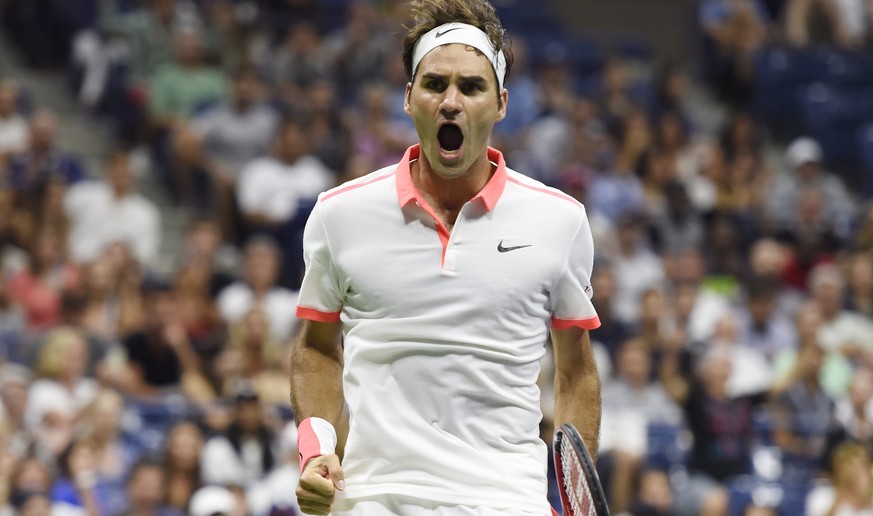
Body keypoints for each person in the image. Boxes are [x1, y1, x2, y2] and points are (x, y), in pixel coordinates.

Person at [290, 1, 602, 515]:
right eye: (435, 85)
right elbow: (317, 348)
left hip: (507, 502)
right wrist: (317, 450)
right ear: (409, 97)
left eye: (472, 87)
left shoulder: (559, 221)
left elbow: (576, 373)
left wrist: (576, 501)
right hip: (373, 501)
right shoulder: (338, 213)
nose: (451, 101)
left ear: (501, 103)